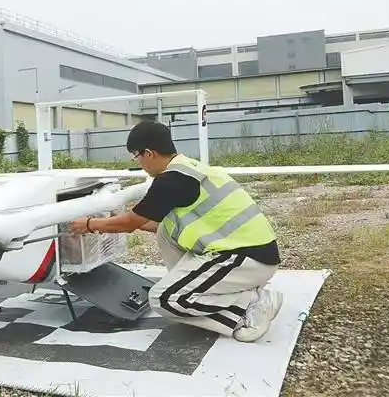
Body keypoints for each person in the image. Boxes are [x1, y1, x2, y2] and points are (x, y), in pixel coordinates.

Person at [68, 120, 283, 342]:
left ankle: (247, 308)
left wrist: (88, 225)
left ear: (148, 153)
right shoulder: (187, 168)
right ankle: (213, 293)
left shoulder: (171, 181)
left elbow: (130, 223)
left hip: (244, 258)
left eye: (136, 156)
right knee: (165, 232)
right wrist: (113, 220)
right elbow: (146, 223)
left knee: (164, 299)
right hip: (248, 254)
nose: (138, 162)